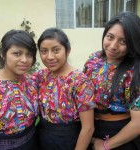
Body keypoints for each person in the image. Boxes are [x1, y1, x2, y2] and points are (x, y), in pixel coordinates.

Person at [83, 11, 140, 150]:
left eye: (123, 41)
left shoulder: (135, 71)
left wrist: (106, 145)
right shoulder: (93, 60)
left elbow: (138, 123)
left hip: (120, 135)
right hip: (91, 128)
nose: (113, 46)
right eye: (110, 37)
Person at [36, 27, 95, 150]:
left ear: (67, 51)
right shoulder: (42, 76)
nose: (50, 57)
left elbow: (88, 128)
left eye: (56, 50)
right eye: (44, 51)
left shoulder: (80, 81)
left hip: (69, 141)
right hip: (43, 138)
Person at [0, 30, 39, 150]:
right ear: (3, 54)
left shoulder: (33, 81)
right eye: (17, 53)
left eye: (29, 54)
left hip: (32, 143)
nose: (25, 60)